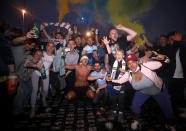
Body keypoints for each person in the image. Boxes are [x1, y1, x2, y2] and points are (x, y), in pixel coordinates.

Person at [110, 54, 175, 130]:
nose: (131, 65)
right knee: (135, 106)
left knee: (168, 109)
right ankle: (136, 121)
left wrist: (164, 58)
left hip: (158, 91)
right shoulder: (128, 74)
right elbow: (119, 81)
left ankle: (170, 125)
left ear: (137, 62)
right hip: (142, 92)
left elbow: (166, 62)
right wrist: (109, 80)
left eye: (133, 62)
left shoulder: (146, 66)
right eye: (129, 63)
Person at [30, 42, 54, 118]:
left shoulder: (54, 56)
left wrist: (52, 68)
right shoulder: (42, 53)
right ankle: (32, 109)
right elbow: (34, 58)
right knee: (35, 90)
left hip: (45, 74)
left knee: (46, 90)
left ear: (53, 48)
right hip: (36, 72)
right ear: (46, 47)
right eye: (49, 46)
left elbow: (54, 65)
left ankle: (43, 100)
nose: (50, 48)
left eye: (52, 46)